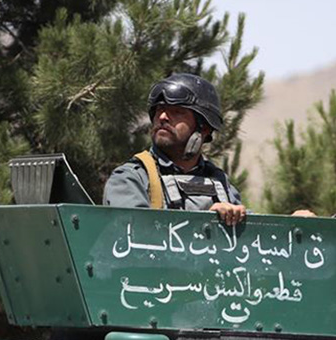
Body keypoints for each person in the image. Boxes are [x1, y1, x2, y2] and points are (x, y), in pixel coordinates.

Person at [103, 73, 248, 226]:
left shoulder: (222, 185)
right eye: (159, 110)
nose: (163, 117)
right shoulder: (131, 179)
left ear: (204, 127)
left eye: (177, 112)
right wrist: (206, 222)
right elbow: (135, 237)